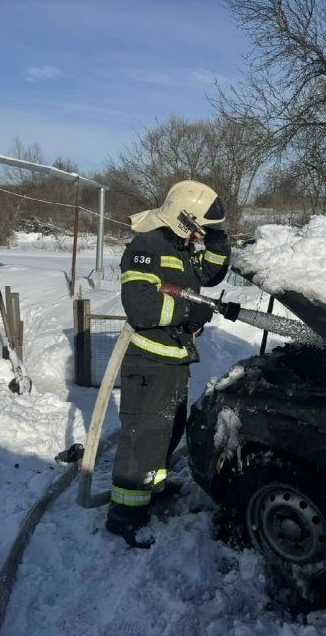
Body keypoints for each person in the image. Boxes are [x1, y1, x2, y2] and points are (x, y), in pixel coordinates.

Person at [106, 180, 232, 548]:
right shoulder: (148, 246)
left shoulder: (179, 246)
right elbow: (142, 306)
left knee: (168, 428)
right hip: (150, 359)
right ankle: (125, 515)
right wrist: (192, 309)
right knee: (143, 435)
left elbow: (209, 273)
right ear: (182, 219)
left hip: (174, 357)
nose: (198, 235)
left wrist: (218, 240)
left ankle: (154, 487)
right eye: (198, 227)